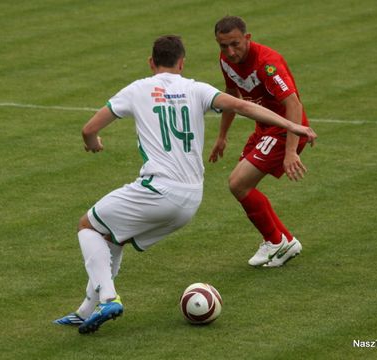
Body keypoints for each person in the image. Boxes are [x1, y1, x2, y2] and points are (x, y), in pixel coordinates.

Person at [53, 35, 317, 334]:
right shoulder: (197, 89)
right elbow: (242, 107)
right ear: (182, 62)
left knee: (88, 226)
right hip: (190, 201)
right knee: (112, 238)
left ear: (151, 62)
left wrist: (93, 143)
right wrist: (290, 124)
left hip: (157, 190)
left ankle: (109, 298)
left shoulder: (137, 89)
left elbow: (89, 129)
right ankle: (85, 309)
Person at [209, 16, 313, 267]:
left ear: (248, 38)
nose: (230, 52)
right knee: (241, 184)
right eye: (223, 46)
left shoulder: (268, 64)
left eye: (235, 44)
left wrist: (290, 151)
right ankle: (285, 240)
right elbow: (232, 97)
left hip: (285, 129)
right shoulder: (226, 61)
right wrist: (222, 136)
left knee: (238, 183)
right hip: (264, 128)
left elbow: (293, 104)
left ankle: (276, 242)